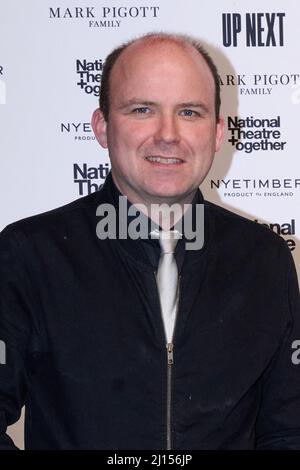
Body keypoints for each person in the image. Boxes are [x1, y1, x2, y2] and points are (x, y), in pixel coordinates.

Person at [0, 32, 300, 450]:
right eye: (142, 109)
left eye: (190, 112)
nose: (168, 134)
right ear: (102, 126)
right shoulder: (28, 254)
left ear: (217, 132)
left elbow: (288, 431)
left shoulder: (264, 259)